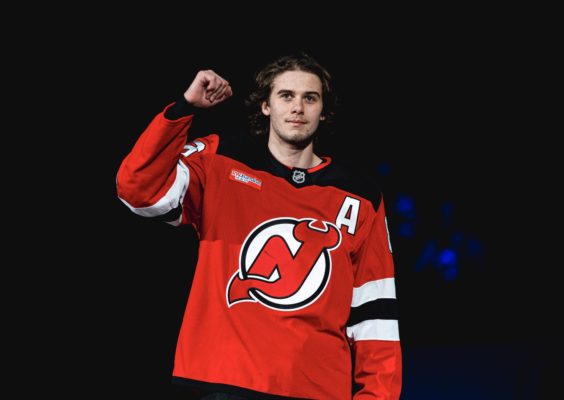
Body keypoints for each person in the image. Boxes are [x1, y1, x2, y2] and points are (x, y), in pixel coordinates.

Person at [116, 52, 402, 399]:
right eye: (286, 95)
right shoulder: (221, 161)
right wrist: (183, 109)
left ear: (324, 111)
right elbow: (139, 190)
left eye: (310, 98)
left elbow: (376, 317)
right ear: (266, 105)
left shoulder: (360, 196)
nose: (298, 108)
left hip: (317, 389)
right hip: (223, 382)